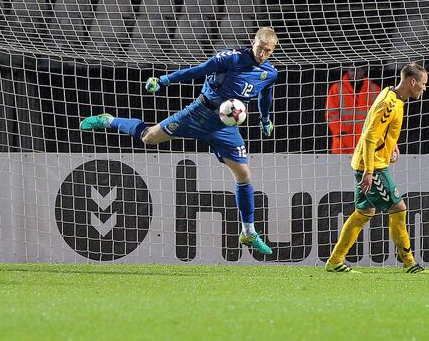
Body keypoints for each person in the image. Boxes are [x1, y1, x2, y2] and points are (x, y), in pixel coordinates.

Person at [80, 27, 279, 256]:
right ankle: (109, 120)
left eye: (268, 51)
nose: (263, 54)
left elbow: (266, 95)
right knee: (149, 137)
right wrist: (164, 80)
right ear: (253, 42)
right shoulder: (232, 57)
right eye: (260, 48)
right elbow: (198, 70)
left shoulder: (270, 73)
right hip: (199, 113)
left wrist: (265, 120)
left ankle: (248, 233)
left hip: (225, 125)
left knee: (244, 175)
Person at [325, 62, 429, 274]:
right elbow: (370, 137)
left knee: (364, 212)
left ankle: (335, 260)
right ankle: (409, 263)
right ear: (412, 82)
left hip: (367, 162)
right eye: (423, 84)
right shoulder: (389, 103)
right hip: (373, 165)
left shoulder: (390, 94)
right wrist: (369, 172)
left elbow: (376, 127)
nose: (424, 88)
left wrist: (392, 144)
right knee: (398, 208)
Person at [325, 64, 381, 154]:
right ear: (347, 70)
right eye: (352, 70)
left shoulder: (374, 89)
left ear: (363, 71)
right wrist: (340, 132)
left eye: (357, 70)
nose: (354, 73)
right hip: (343, 141)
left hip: (366, 138)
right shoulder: (337, 88)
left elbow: (380, 113)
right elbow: (331, 113)